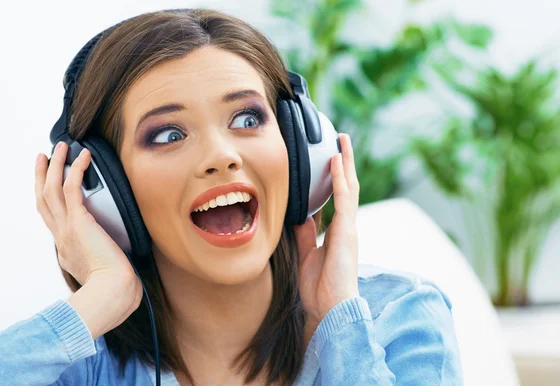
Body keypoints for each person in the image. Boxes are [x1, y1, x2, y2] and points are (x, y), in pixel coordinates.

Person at [0, 8, 463, 386]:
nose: (221, 157)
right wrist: (102, 297)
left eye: (246, 119)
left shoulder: (397, 318)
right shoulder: (83, 364)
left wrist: (339, 322)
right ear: (105, 187)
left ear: (298, 146)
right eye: (168, 134)